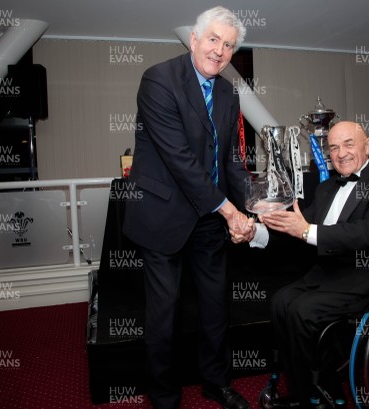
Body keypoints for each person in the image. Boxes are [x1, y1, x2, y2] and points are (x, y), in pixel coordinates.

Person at [122, 7, 254, 409]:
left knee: (216, 306)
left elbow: (230, 159)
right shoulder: (159, 79)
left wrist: (252, 203)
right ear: (194, 39)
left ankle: (216, 381)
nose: (220, 51)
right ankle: (164, 397)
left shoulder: (230, 93)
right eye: (213, 39)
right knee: (165, 313)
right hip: (164, 214)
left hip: (210, 218)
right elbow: (179, 158)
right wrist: (229, 210)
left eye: (228, 45)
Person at [250, 121, 369, 407]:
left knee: (304, 310)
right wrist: (258, 231)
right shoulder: (327, 188)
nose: (341, 153)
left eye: (349, 144)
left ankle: (323, 391)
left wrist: (305, 230)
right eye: (334, 148)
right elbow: (299, 229)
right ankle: (305, 391)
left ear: (368, 145)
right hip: (334, 272)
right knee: (280, 302)